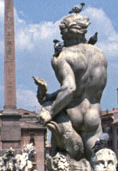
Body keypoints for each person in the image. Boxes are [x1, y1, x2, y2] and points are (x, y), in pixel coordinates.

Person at [34, 13, 107, 160]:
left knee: (62, 167)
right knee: (97, 166)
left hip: (73, 118)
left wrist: (51, 111)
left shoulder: (63, 56)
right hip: (93, 117)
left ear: (63, 33)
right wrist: (51, 95)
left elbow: (70, 88)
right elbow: (81, 87)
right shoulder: (100, 55)